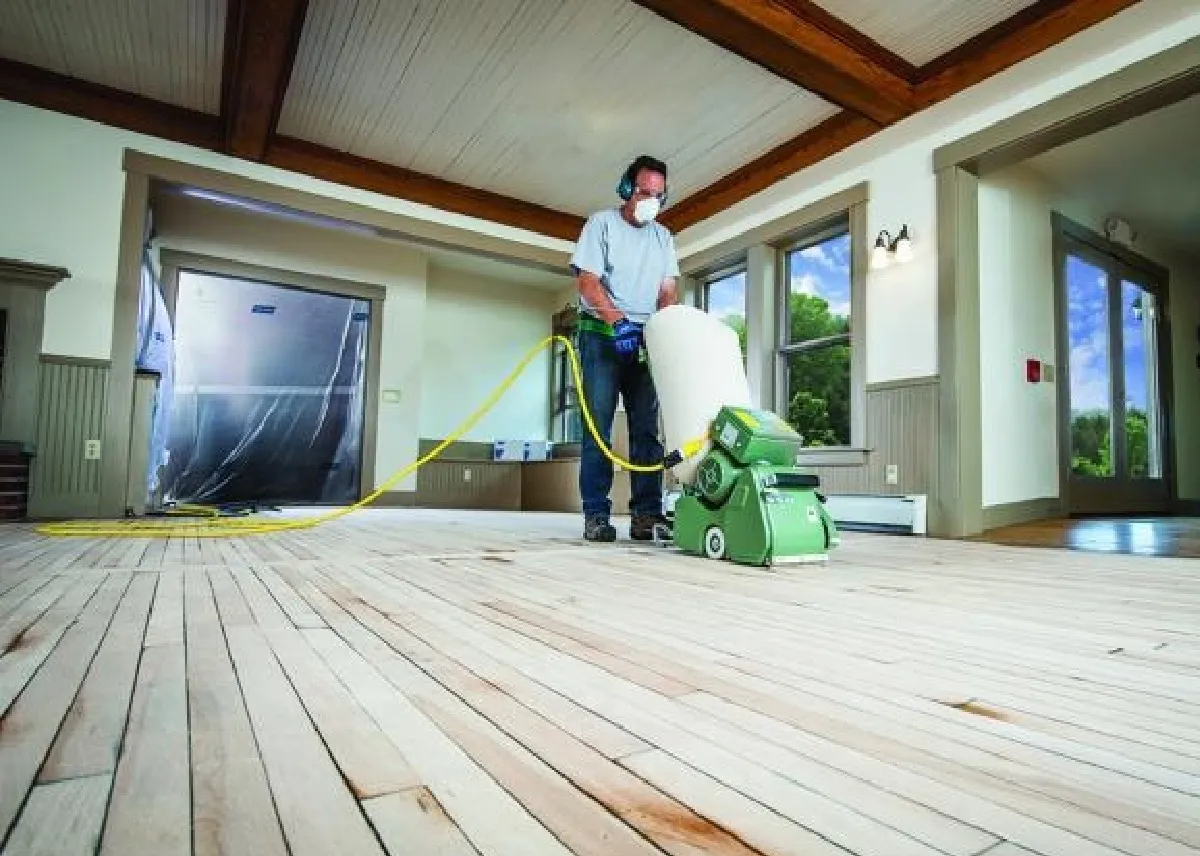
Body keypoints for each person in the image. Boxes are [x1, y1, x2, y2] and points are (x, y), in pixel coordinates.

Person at [569, 155, 679, 542]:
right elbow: (587, 282)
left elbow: (667, 291)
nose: (651, 200)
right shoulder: (601, 224)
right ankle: (596, 515)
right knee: (597, 425)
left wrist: (662, 330)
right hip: (601, 333)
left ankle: (647, 514)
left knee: (647, 429)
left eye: (658, 195)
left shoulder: (664, 238)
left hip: (645, 338)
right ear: (626, 189)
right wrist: (618, 322)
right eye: (644, 192)